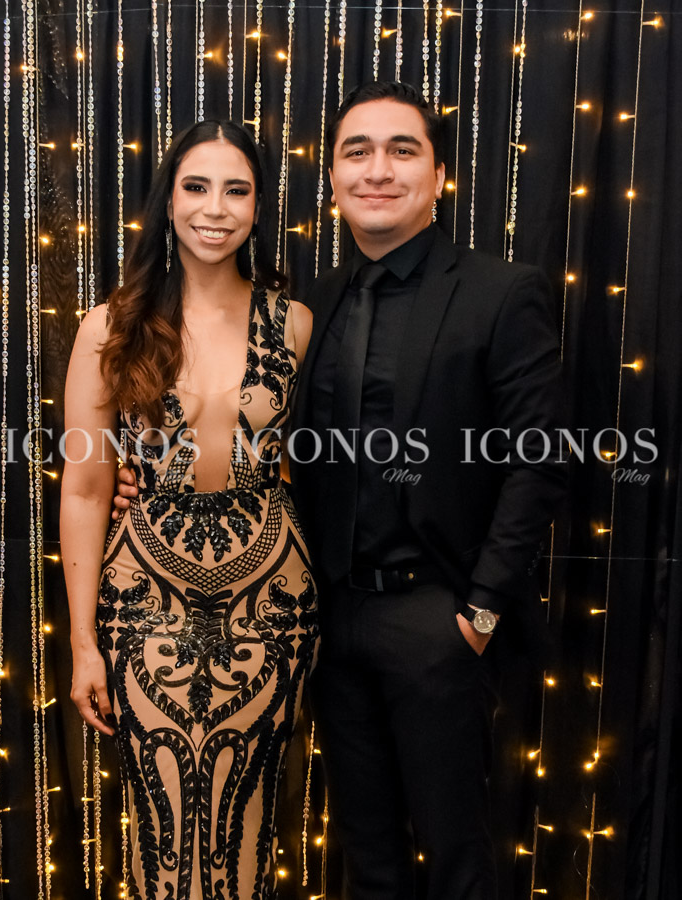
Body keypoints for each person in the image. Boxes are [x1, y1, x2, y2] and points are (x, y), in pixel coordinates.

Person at [114, 82, 566, 899]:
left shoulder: (500, 292)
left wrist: (479, 611)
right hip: (322, 619)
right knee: (365, 858)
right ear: (331, 178)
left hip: (437, 616)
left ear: (438, 176)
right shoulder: (305, 307)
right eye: (357, 152)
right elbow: (268, 441)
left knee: (457, 857)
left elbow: (539, 460)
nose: (377, 170)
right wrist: (144, 478)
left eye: (402, 150)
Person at [61, 119, 318, 900]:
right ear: (168, 201)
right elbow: (84, 488)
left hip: (270, 603)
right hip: (145, 598)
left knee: (246, 828)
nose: (215, 208)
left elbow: (318, 464)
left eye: (236, 190)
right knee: (162, 831)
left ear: (258, 207)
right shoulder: (111, 326)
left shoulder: (294, 323)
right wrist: (83, 645)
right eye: (196, 187)